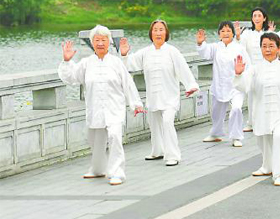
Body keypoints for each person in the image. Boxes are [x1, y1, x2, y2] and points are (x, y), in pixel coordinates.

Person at [58, 25, 145, 186]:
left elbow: (128, 84)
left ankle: (117, 172)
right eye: (97, 40)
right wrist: (67, 60)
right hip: (95, 108)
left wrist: (135, 104)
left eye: (103, 40)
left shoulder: (116, 63)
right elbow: (70, 78)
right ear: (92, 42)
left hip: (114, 108)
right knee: (95, 140)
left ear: (109, 42)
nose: (100, 43)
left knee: (114, 137)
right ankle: (98, 169)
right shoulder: (86, 63)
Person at [233, 32, 280, 186]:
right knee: (264, 140)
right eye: (264, 46)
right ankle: (267, 166)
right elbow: (243, 87)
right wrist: (238, 74)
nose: (267, 49)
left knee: (279, 136)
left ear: (277, 47)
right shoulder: (254, 69)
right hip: (261, 112)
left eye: (271, 46)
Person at [120, 20, 199, 167]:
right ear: (151, 33)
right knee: (154, 124)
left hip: (170, 97)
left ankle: (173, 155)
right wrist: (124, 55)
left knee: (167, 122)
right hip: (153, 97)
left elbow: (183, 69)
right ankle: (158, 151)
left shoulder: (172, 52)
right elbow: (129, 65)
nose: (158, 33)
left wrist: (191, 85)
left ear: (166, 33)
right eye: (155, 30)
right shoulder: (145, 52)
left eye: (161, 30)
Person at [196, 21, 250, 147]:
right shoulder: (215, 47)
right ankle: (215, 133)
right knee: (217, 112)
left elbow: (248, 66)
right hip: (219, 85)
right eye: (223, 31)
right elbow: (205, 53)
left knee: (236, 109)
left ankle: (236, 136)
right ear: (219, 34)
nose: (226, 33)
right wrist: (200, 43)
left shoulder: (239, 48)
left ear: (232, 33)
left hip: (236, 85)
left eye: (228, 31)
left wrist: (242, 74)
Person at [235, 7, 274, 132]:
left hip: (267, 68)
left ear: (264, 18)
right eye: (254, 16)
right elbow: (241, 49)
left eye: (259, 16)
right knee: (252, 97)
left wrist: (272, 34)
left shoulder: (269, 33)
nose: (257, 18)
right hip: (252, 69)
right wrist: (238, 37)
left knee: (268, 96)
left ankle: (269, 122)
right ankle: (251, 123)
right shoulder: (247, 33)